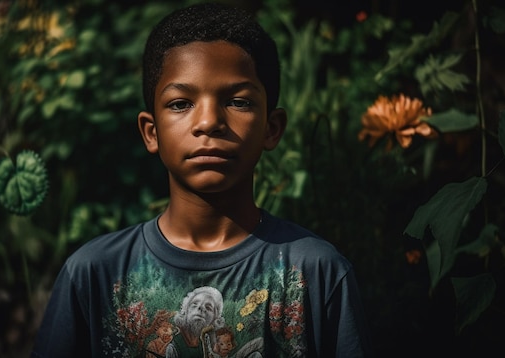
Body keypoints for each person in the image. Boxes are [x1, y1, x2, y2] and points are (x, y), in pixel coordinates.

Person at [30, 2, 373, 357]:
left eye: (238, 102)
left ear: (272, 129)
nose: (208, 122)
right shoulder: (94, 275)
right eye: (181, 103)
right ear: (151, 132)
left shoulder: (316, 273)